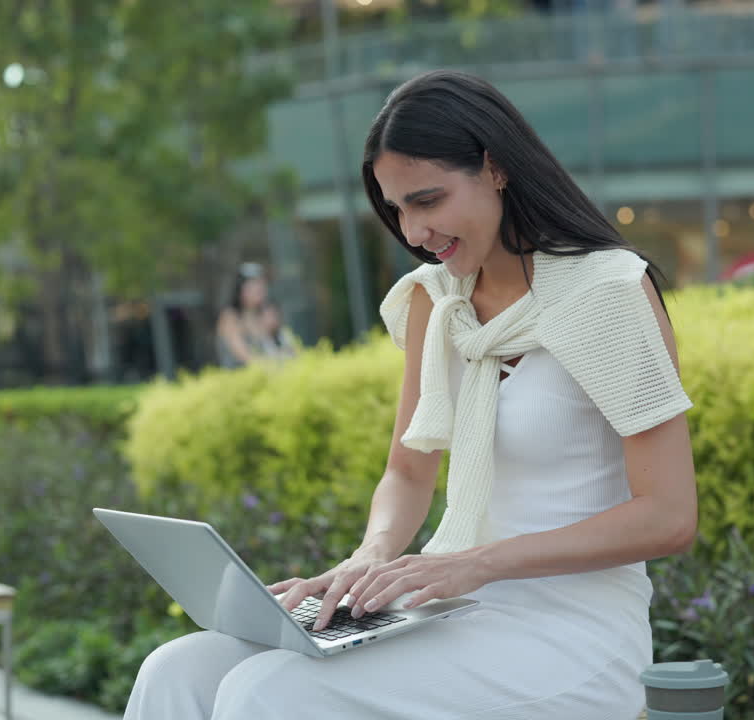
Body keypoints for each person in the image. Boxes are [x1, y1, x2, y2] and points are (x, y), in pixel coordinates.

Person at [125, 69, 697, 719]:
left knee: (268, 695)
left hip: (570, 634)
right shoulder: (438, 299)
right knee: (178, 669)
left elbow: (669, 516)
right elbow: (408, 468)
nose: (413, 231)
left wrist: (476, 564)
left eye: (427, 200)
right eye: (395, 209)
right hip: (444, 609)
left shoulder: (605, 293)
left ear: (495, 167)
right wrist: (364, 564)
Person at [217, 263, 293, 367]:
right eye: (253, 287)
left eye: (262, 285)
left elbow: (287, 348)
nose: (259, 290)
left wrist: (272, 332)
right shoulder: (230, 317)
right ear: (240, 290)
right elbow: (245, 357)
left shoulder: (265, 314)